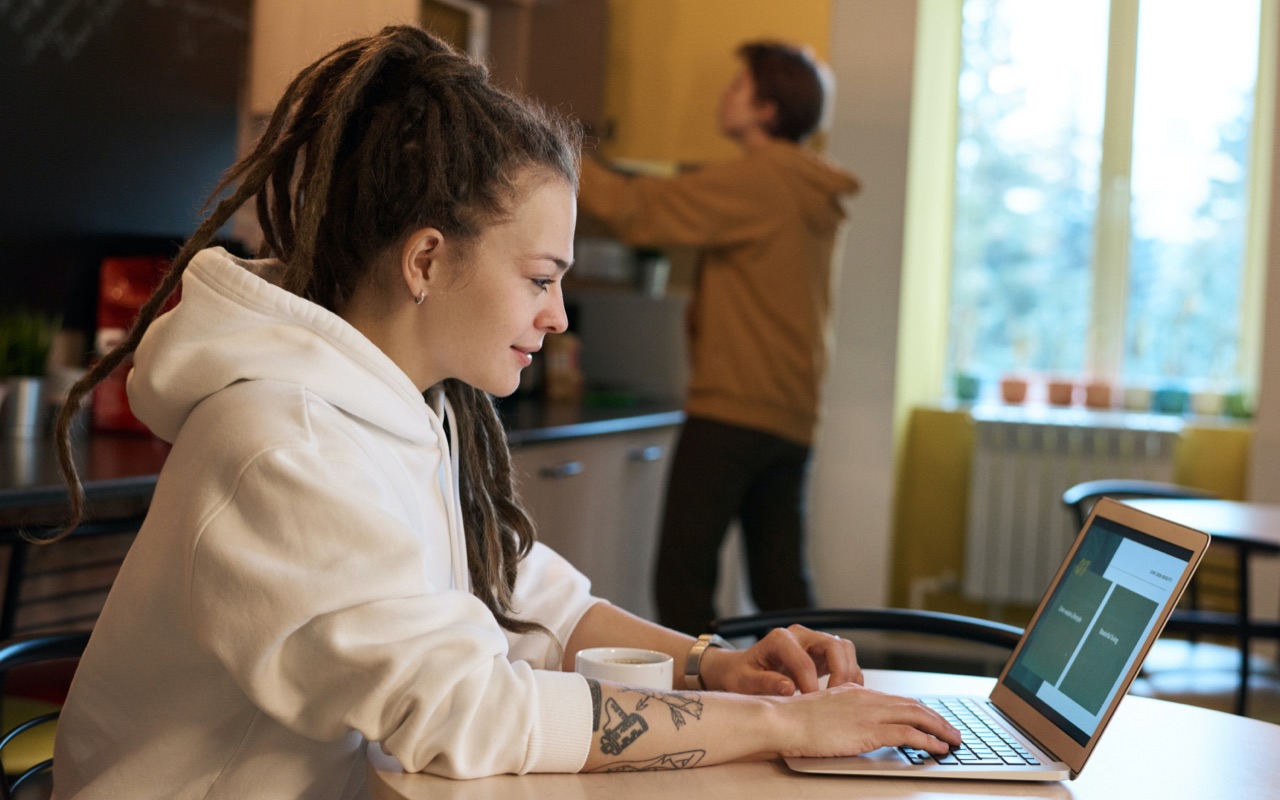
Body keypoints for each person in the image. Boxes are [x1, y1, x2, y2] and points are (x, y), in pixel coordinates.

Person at [48, 26, 955, 799]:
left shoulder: (405, 408)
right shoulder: (288, 444)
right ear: (427, 260)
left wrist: (713, 662)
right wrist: (768, 726)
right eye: (540, 279)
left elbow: (523, 593)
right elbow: (471, 715)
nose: (558, 316)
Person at [576, 42, 860, 635]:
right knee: (781, 587)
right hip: (791, 413)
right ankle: (823, 700)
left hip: (732, 409)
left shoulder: (763, 178)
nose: (724, 94)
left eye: (738, 86)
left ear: (766, 108)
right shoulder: (807, 185)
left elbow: (641, 212)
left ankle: (700, 710)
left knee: (682, 581)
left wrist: (550, 149)